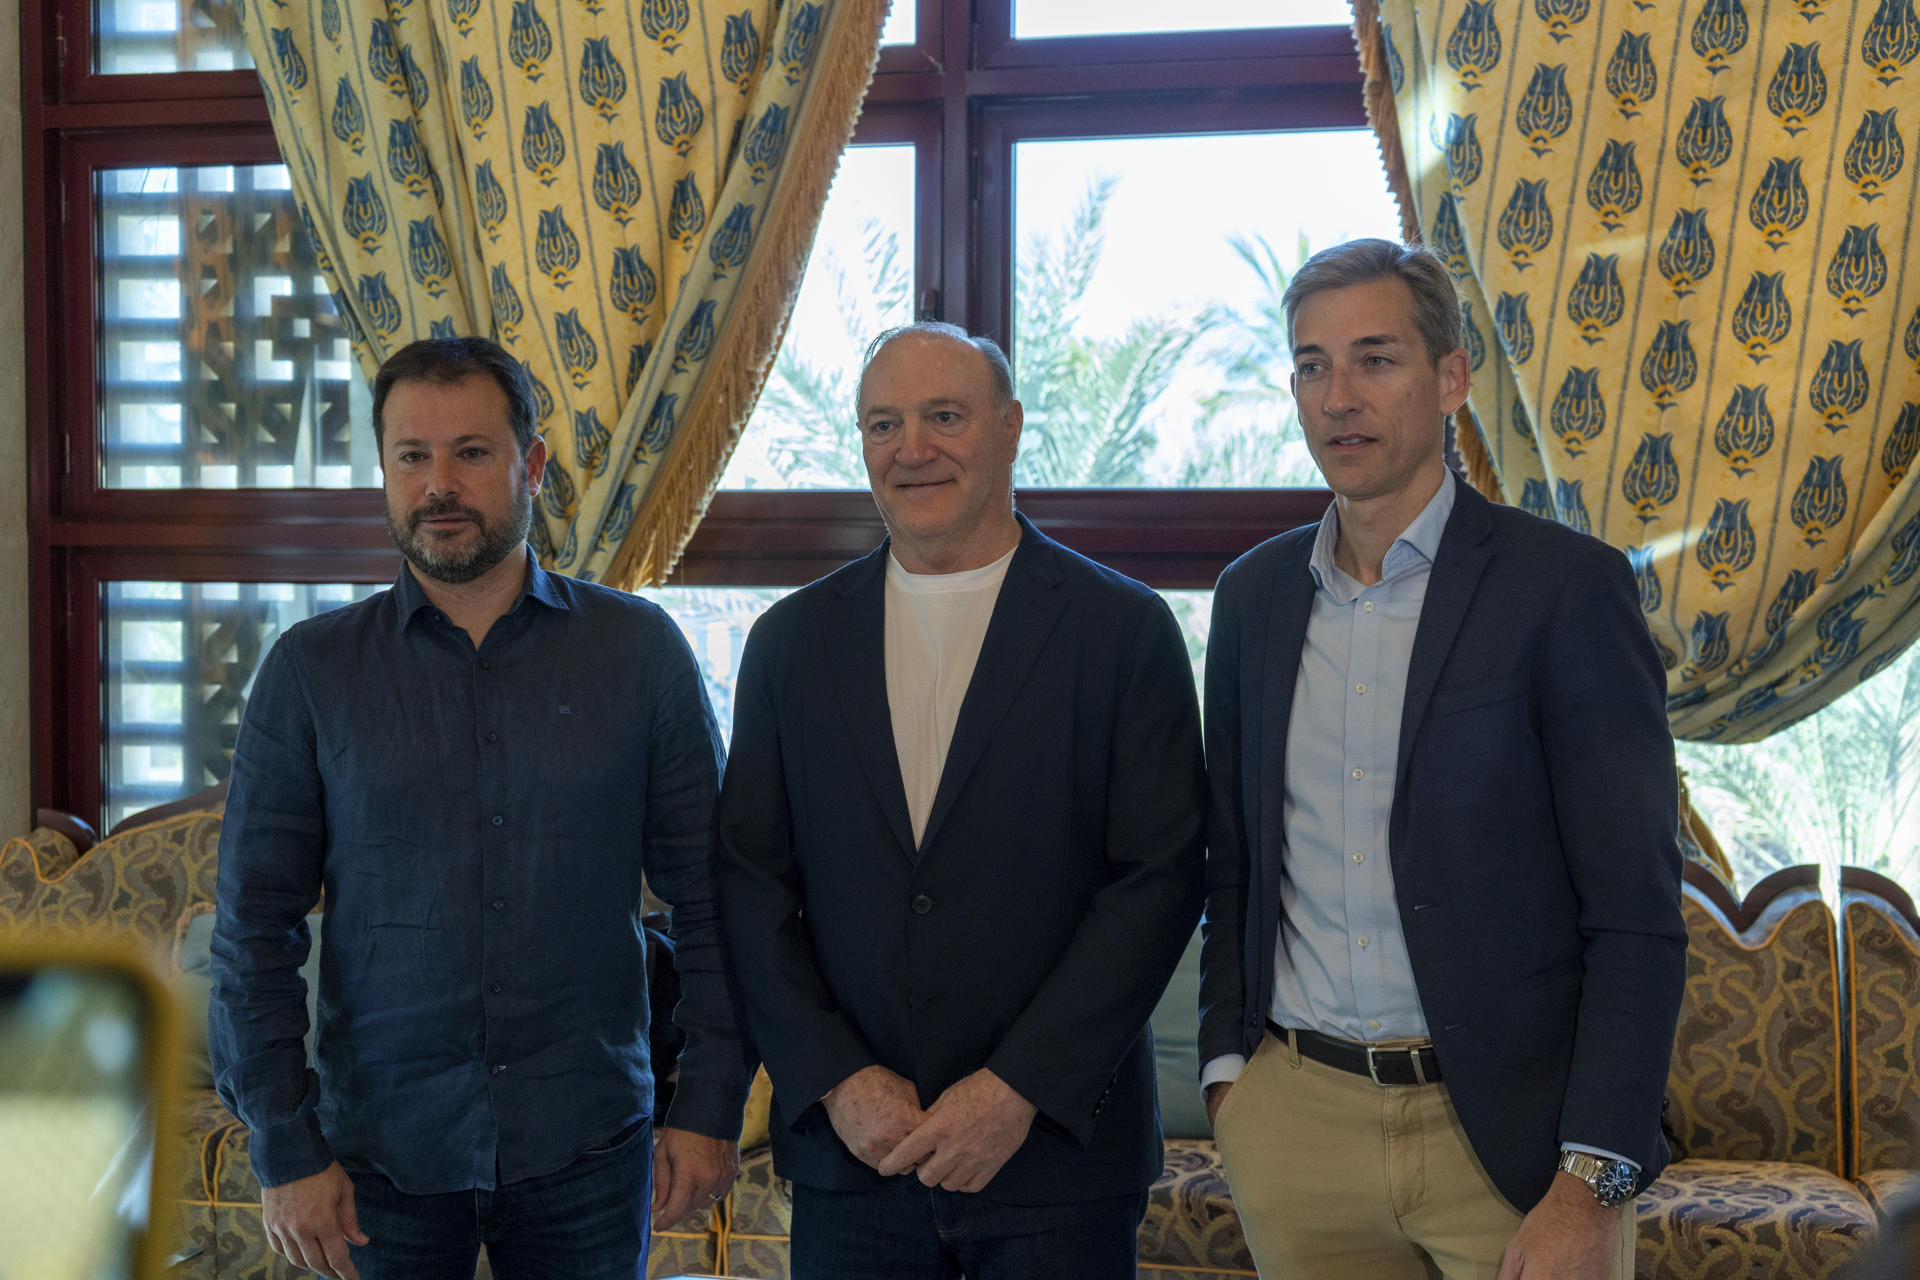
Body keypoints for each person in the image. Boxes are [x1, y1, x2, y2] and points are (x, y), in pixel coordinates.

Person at [1196, 239, 1687, 1280]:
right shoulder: (1253, 598)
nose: (1339, 396)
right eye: (1312, 365)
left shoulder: (1566, 589)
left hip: (1513, 1147)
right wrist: (1231, 1080)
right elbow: (1234, 858)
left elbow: (1636, 914)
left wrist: (1593, 1176)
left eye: (1375, 358)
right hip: (1300, 1130)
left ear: (1451, 377)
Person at [209, 336, 746, 1280]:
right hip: (381, 1154)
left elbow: (712, 903)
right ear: (383, 469)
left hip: (585, 1142)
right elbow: (255, 929)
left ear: (529, 466)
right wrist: (286, 1145)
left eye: (471, 452)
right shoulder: (311, 672)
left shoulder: (639, 655)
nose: (438, 485)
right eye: (412, 456)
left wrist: (704, 1107)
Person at [713, 322, 1206, 1279]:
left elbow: (1158, 880)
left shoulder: (1123, 630)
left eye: (944, 416)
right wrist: (839, 1082)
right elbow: (750, 883)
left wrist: (1017, 1089)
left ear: (1011, 429)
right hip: (857, 1162)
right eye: (883, 424)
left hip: (1058, 1159)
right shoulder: (790, 641)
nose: (912, 449)